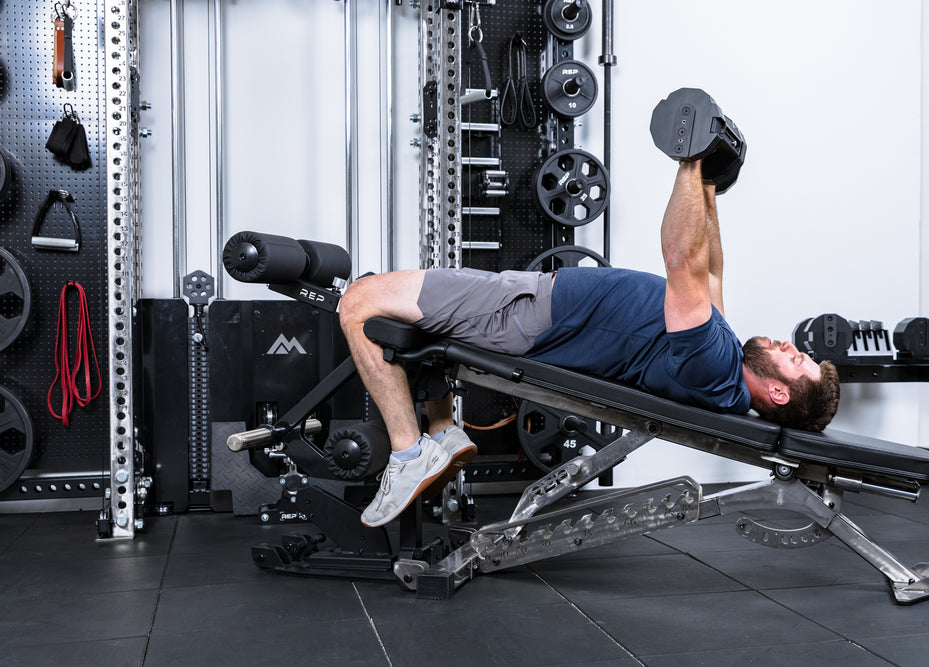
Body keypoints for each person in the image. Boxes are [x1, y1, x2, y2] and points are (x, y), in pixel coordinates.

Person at [338, 160, 840, 527]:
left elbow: (682, 260)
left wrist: (688, 160)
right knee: (418, 319)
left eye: (796, 360)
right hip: (530, 303)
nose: (788, 345)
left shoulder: (711, 365)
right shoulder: (726, 366)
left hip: (523, 313)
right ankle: (443, 431)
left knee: (360, 300)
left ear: (778, 393)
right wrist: (708, 185)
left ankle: (408, 453)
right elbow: (709, 270)